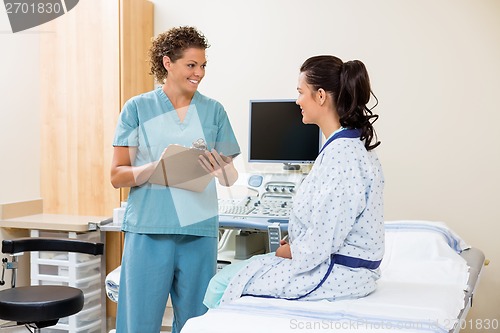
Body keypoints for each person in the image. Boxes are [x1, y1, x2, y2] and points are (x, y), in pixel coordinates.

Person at [203, 55, 384, 308]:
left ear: (320, 96)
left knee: (221, 285)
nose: (297, 101)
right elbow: (329, 222)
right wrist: (297, 242)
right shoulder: (344, 146)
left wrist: (287, 251)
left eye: (301, 92)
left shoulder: (342, 155)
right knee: (238, 273)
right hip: (332, 263)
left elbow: (323, 240)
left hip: (338, 272)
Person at [110, 26, 240, 333]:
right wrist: (156, 168)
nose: (199, 73)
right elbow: (117, 175)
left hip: (198, 231)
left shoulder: (214, 111)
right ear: (168, 63)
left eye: (203, 65)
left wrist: (221, 168)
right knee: (138, 324)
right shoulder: (138, 108)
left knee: (199, 324)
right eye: (191, 65)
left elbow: (229, 176)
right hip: (149, 229)